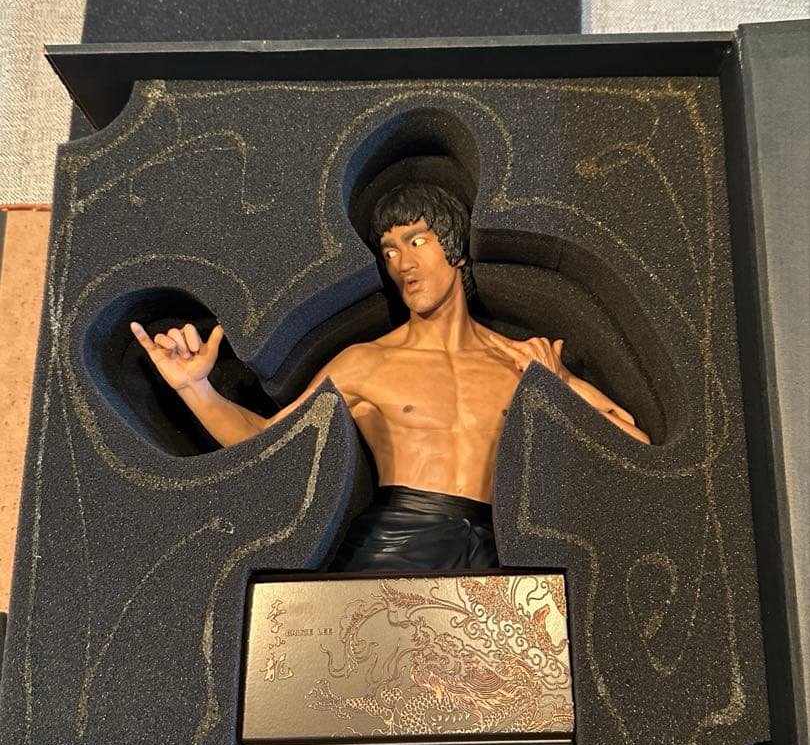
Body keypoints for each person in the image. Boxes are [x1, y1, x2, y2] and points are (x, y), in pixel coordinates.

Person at [131, 183, 649, 571]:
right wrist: (194, 388)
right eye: (390, 251)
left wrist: (558, 388)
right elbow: (269, 441)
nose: (403, 263)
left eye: (416, 240)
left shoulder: (522, 363)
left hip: (500, 550)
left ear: (455, 249)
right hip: (392, 543)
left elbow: (633, 444)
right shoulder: (366, 362)